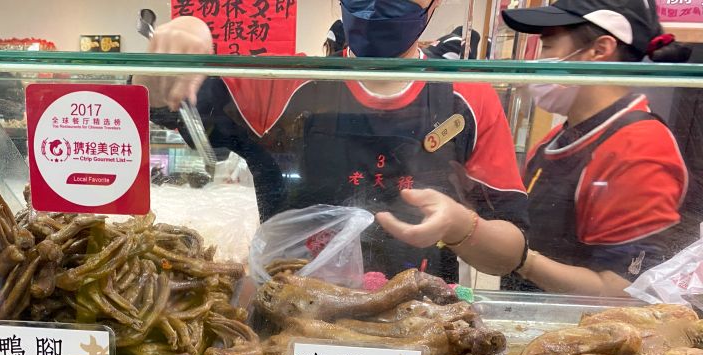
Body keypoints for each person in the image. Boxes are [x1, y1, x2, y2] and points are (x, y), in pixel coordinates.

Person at [143, 1, 528, 283]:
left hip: (419, 331)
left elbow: (509, 254)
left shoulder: (467, 99)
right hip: (295, 323)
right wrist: (183, 40)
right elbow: (164, 103)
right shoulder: (283, 83)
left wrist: (461, 226)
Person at [501, 0, 691, 295]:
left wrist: (520, 260)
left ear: (600, 49)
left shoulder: (639, 148)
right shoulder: (554, 139)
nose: (539, 62)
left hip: (588, 332)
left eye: (548, 48)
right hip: (533, 319)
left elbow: (620, 291)